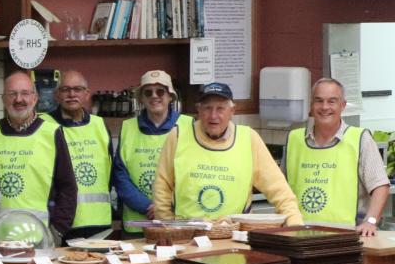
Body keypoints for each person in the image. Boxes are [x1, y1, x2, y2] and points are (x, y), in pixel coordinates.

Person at [153, 82, 303, 223]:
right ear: (198, 110)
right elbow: (162, 188)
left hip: (235, 235)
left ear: (232, 111)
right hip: (186, 236)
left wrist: (294, 225)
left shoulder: (248, 138)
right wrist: (170, 227)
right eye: (207, 108)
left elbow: (280, 191)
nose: (213, 116)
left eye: (220, 109)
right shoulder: (178, 136)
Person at [284, 78, 389, 235]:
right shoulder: (294, 139)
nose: (325, 107)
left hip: (346, 237)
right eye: (319, 101)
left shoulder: (360, 138)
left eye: (332, 101)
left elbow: (380, 186)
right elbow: (280, 189)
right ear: (311, 106)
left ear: (343, 106)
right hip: (299, 236)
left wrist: (370, 221)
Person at [0, 71, 77, 238]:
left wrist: (57, 231)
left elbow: (67, 186)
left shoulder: (52, 133)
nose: (19, 99)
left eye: (25, 93)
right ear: (3, 99)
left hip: (40, 238)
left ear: (35, 98)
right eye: (12, 94)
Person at [112, 70, 193, 232]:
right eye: (148, 92)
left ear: (170, 96)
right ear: (141, 98)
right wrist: (147, 206)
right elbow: (120, 175)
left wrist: (164, 206)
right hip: (137, 224)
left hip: (177, 222)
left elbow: (194, 173)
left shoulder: (189, 126)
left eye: (160, 91)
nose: (154, 96)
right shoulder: (128, 127)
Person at [46, 70, 114, 239]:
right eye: (65, 89)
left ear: (87, 94)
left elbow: (111, 171)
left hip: (99, 222)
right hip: (61, 224)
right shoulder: (45, 126)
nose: (71, 94)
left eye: (77, 89)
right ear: (56, 95)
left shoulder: (99, 125)